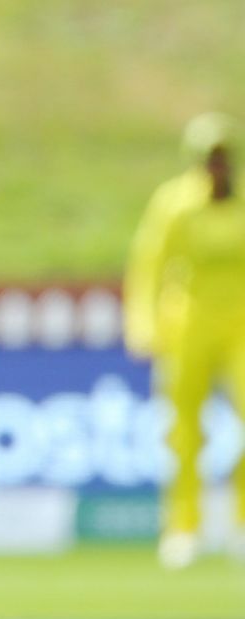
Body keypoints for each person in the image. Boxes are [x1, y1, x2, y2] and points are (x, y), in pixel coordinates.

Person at [124, 112, 245, 569]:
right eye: (208, 158)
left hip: (240, 326)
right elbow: (150, 264)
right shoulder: (175, 204)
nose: (216, 166)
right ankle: (184, 527)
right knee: (185, 433)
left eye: (222, 157)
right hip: (189, 324)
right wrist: (145, 325)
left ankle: (242, 523)